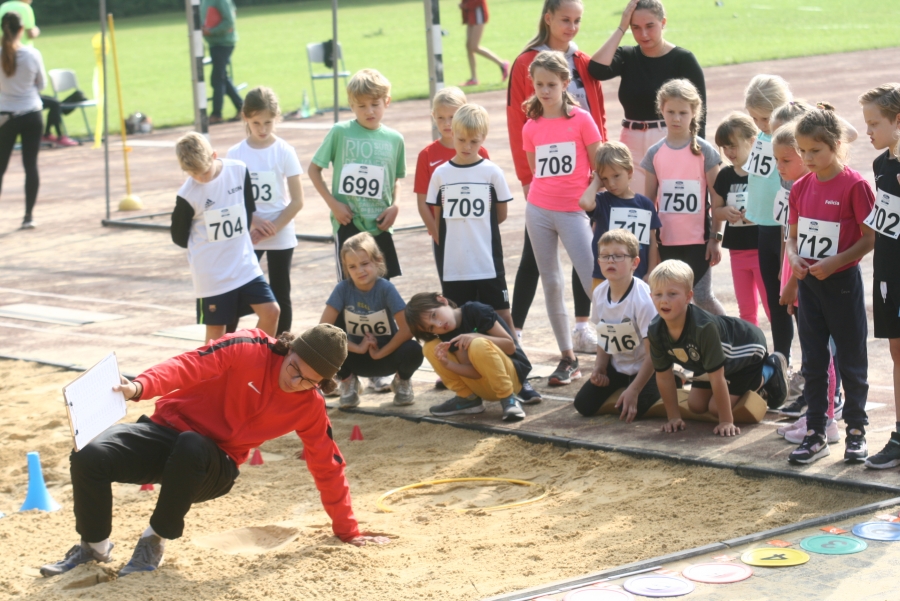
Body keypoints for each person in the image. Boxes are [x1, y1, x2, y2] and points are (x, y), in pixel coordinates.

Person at [39, 324, 389, 578]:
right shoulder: (249, 347)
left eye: (308, 381)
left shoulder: (309, 406)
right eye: (294, 368)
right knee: (89, 455)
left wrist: (348, 530)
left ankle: (154, 540)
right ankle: (94, 546)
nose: (294, 382)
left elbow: (327, 464)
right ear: (288, 348)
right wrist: (140, 386)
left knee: (193, 444)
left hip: (214, 466)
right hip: (165, 432)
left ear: (322, 384)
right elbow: (189, 363)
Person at [506, 0, 606, 352]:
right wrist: (528, 183)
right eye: (565, 19)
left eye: (578, 20)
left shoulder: (581, 63)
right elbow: (524, 141)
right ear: (548, 18)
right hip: (541, 202)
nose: (572, 26)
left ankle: (603, 334)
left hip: (577, 200)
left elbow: (597, 117)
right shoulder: (525, 70)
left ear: (564, 83)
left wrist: (595, 187)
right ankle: (545, 343)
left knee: (592, 270)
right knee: (540, 270)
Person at [785, 104, 875, 465]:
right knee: (814, 360)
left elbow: (869, 239)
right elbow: (791, 237)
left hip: (841, 283)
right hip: (809, 285)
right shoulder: (800, 187)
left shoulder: (855, 185)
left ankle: (855, 429)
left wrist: (836, 261)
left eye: (815, 151)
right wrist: (793, 260)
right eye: (802, 150)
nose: (807, 157)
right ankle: (816, 431)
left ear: (836, 145)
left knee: (851, 358)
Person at [521, 50, 602, 386]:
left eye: (551, 84)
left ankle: (617, 350)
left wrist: (590, 195)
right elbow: (534, 170)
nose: (545, 90)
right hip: (539, 209)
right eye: (539, 84)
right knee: (551, 282)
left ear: (565, 83)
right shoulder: (531, 126)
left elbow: (601, 166)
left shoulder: (582, 120)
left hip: (573, 210)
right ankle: (567, 358)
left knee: (591, 280)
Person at [648, 260, 789, 437]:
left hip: (746, 349)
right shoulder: (655, 329)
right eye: (658, 294)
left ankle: (770, 369)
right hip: (710, 362)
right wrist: (673, 417)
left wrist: (726, 421)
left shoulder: (702, 328)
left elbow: (717, 377)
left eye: (672, 294)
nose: (664, 301)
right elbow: (664, 376)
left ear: (688, 296)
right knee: (696, 405)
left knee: (715, 408)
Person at [171, 132, 280, 343]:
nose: (202, 178)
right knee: (216, 333)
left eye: (205, 171)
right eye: (194, 174)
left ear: (214, 155)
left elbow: (248, 210)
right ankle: (213, 376)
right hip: (212, 274)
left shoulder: (238, 170)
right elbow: (179, 237)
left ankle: (256, 364)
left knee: (271, 312)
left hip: (244, 265)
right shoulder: (187, 195)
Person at [770, 117, 839, 442]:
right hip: (797, 280)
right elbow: (792, 242)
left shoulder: (815, 191)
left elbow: (811, 252)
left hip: (810, 284)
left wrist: (792, 285)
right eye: (777, 160)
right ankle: (815, 415)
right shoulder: (794, 191)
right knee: (812, 354)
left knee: (819, 355)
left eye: (788, 159)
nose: (780, 166)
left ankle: (825, 419)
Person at [589, 0, 705, 193]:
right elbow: (596, 69)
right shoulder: (627, 55)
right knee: (631, 208)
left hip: (670, 139)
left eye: (650, 26)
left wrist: (695, 152)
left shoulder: (683, 60)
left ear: (663, 22)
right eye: (635, 27)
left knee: (668, 211)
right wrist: (621, 27)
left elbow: (701, 115)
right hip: (630, 143)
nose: (643, 34)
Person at [310, 68, 405, 283]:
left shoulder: (395, 139)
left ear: (386, 101)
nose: (369, 111)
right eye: (361, 106)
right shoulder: (340, 132)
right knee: (350, 289)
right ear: (351, 105)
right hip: (348, 222)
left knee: (383, 288)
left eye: (375, 104)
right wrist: (333, 204)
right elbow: (314, 170)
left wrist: (396, 206)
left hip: (380, 223)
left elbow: (395, 179)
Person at [425, 104, 515, 333]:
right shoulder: (441, 175)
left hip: (487, 261)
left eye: (474, 141)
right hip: (455, 265)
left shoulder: (492, 173)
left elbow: (500, 215)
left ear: (483, 138)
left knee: (502, 312)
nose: (467, 146)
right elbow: (438, 218)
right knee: (458, 318)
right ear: (452, 133)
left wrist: (478, 228)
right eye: (461, 139)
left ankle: (517, 360)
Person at [642, 78, 725, 315]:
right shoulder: (654, 153)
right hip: (666, 242)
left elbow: (717, 199)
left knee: (701, 296)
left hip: (699, 242)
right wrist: (651, 248)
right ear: (662, 111)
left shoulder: (705, 151)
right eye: (671, 112)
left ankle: (730, 338)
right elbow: (649, 203)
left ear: (694, 113)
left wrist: (715, 238)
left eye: (682, 112)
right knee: (669, 299)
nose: (676, 118)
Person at [226, 86, 303, 335]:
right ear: (245, 118)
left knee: (281, 292)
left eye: (268, 122)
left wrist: (272, 228)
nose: (262, 129)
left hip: (279, 232)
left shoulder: (284, 151)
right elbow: (231, 199)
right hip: (249, 232)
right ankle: (225, 346)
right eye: (256, 122)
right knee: (238, 291)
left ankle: (281, 346)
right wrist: (254, 221)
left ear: (276, 118)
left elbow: (297, 201)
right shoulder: (236, 154)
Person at [321, 232, 423, 408]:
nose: (360, 271)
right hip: (354, 358)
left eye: (365, 263)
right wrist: (358, 348)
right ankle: (347, 380)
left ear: (378, 261)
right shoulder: (342, 289)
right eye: (352, 267)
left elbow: (407, 329)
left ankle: (401, 380)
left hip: (387, 356)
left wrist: (381, 352)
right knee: (323, 341)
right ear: (346, 269)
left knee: (414, 349)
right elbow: (323, 330)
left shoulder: (386, 288)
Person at [573, 229, 660, 421]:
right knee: (583, 405)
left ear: (634, 263)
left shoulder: (643, 300)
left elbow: (655, 354)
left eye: (618, 256)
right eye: (605, 256)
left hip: (648, 367)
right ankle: (626, 385)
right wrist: (600, 367)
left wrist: (635, 389)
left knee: (640, 408)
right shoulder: (599, 293)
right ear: (599, 262)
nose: (610, 261)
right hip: (618, 367)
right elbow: (604, 336)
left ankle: (672, 380)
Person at [405, 292, 532, 422]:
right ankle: (468, 399)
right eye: (431, 328)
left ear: (442, 300)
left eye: (434, 315)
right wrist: (447, 364)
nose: (438, 325)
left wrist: (475, 336)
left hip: (512, 381)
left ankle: (510, 400)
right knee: (430, 347)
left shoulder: (476, 310)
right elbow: (474, 372)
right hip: (486, 387)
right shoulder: (447, 332)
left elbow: (510, 347)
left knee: (478, 343)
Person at [859, 84, 900, 469]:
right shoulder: (881, 165)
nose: (867, 131)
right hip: (889, 271)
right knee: (896, 351)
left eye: (875, 123)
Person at [741, 75, 794, 362]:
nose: (760, 124)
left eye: (764, 118)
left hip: (785, 230)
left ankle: (815, 368)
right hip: (764, 226)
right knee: (775, 302)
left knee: (792, 300)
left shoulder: (791, 137)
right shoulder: (762, 135)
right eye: (755, 119)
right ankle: (782, 358)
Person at [711, 112, 768, 326]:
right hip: (737, 251)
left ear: (752, 141)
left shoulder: (764, 173)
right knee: (746, 309)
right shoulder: (724, 175)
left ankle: (784, 352)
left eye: (733, 146)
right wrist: (724, 212)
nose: (729, 152)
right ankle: (752, 350)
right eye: (724, 147)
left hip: (762, 248)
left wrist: (757, 212)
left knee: (772, 304)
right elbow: (716, 210)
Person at [414, 86, 489, 249]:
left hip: (476, 233)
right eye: (440, 117)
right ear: (433, 116)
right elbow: (422, 203)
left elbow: (490, 197)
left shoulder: (480, 152)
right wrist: (437, 234)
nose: (447, 123)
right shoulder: (426, 155)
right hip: (444, 234)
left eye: (452, 117)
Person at [579, 140, 660, 287]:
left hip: (638, 277)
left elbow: (652, 242)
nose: (611, 184)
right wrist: (596, 182)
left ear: (629, 172)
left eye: (616, 176)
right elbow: (584, 203)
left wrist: (651, 271)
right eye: (605, 179)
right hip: (605, 277)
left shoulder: (645, 204)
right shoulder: (602, 202)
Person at [0, 0, 76, 147]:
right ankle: (51, 134)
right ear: (20, 29)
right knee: (53, 103)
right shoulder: (25, 9)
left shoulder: (3, 6)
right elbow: (41, 84)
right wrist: (36, 30)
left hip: (5, 101)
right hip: (27, 105)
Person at [0, 11, 42, 229]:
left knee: (1, 167)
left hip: (5, 116)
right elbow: (40, 84)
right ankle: (28, 216)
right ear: (21, 30)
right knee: (30, 165)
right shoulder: (32, 54)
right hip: (32, 113)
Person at [201, 0, 242, 124]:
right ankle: (242, 107)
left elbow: (229, 21)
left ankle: (216, 114)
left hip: (223, 43)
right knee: (222, 77)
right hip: (214, 44)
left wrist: (211, 31)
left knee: (217, 78)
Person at [459, 0, 509, 87]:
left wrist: (466, 5)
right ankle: (474, 78)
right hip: (470, 13)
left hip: (478, 13)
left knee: (474, 47)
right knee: (468, 46)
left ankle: (502, 63)